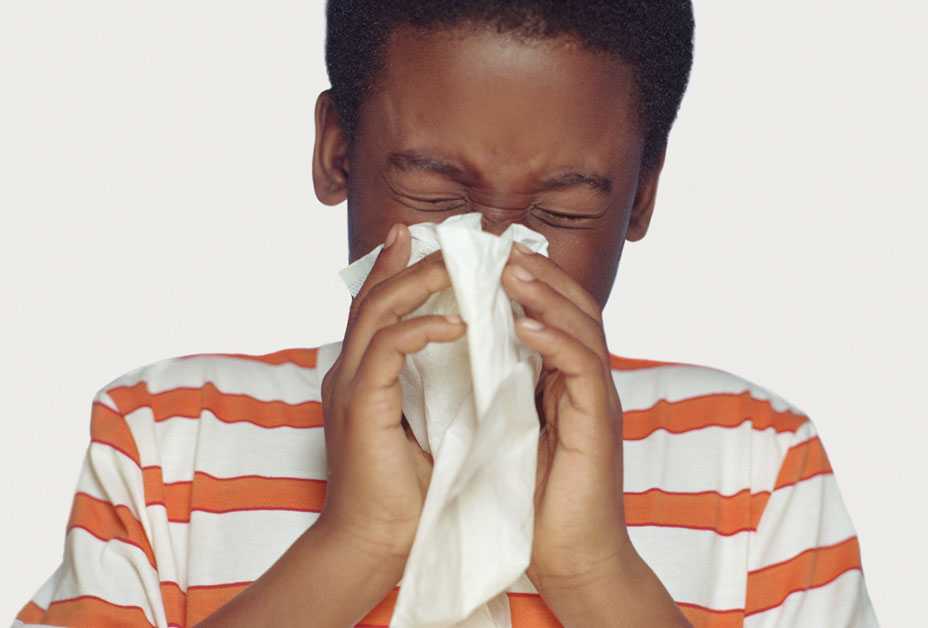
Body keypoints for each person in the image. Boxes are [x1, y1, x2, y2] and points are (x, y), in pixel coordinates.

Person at [12, 2, 880, 627]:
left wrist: (595, 571)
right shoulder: (168, 439)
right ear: (336, 153)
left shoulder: (757, 464)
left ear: (641, 200)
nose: (489, 259)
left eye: (563, 215)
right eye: (432, 196)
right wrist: (355, 544)